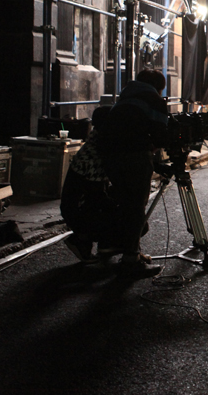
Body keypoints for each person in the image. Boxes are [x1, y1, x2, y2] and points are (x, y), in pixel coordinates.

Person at [61, 68, 169, 278]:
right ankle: (130, 260)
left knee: (125, 205)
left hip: (113, 161)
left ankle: (110, 247)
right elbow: (160, 136)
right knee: (136, 209)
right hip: (134, 158)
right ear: (158, 87)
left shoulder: (124, 99)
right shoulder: (154, 100)